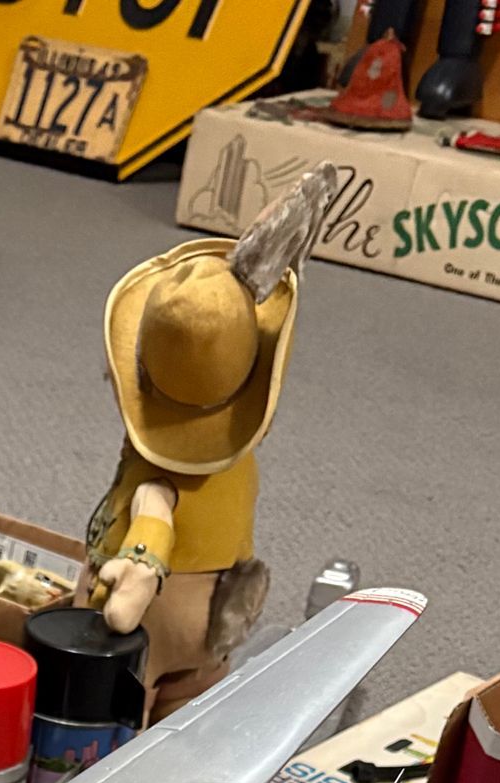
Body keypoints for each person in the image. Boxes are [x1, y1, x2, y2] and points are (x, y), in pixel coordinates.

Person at [80, 167, 336, 717]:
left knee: (119, 709)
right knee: (193, 703)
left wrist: (135, 576)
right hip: (219, 604)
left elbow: (153, 523)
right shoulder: (236, 457)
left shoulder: (158, 477)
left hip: (150, 621)